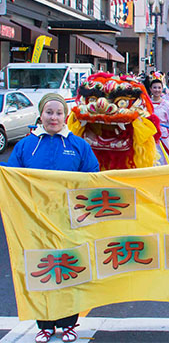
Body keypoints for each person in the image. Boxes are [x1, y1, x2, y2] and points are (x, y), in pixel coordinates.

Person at [6, 93, 99, 343]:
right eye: (49, 112)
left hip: (69, 220)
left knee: (70, 269)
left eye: (58, 113)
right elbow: (12, 178)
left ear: (65, 116)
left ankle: (69, 322)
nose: (54, 117)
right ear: (41, 115)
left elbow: (92, 179)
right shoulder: (27, 145)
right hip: (35, 221)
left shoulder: (79, 145)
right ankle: (45, 323)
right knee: (41, 269)